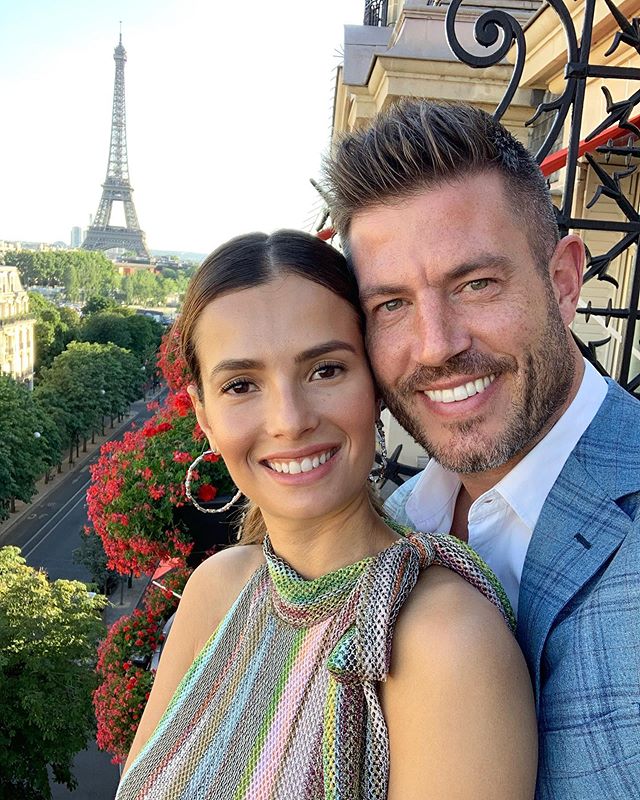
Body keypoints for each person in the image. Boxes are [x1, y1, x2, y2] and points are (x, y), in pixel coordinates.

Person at [115, 230, 536, 799]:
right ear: (205, 415)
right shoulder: (217, 588)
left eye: (326, 370)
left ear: (376, 386)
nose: (289, 420)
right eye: (241, 385)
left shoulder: (445, 641)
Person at [323, 99, 640, 799]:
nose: (437, 346)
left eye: (475, 284)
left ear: (564, 282)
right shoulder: (396, 526)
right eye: (391, 305)